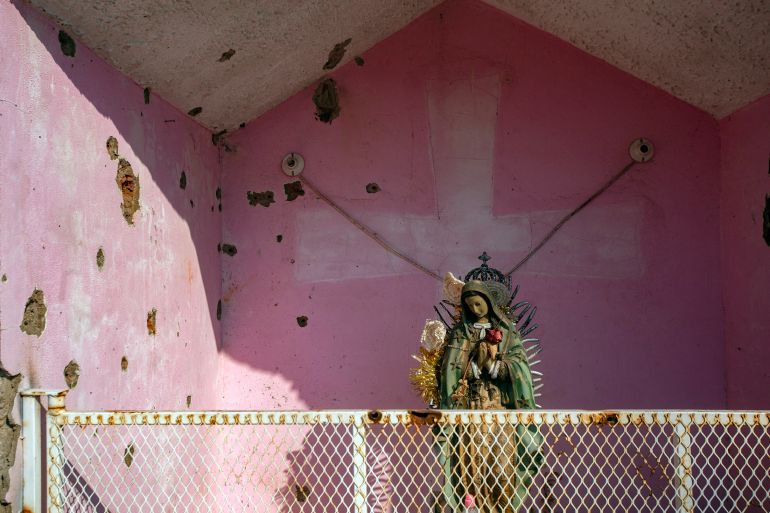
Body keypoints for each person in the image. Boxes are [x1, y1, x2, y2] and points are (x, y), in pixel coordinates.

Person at [438, 280, 540, 512]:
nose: (475, 309)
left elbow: (520, 365)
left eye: (479, 303)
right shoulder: (461, 334)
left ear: (489, 302)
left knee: (502, 468)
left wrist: (495, 367)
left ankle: (503, 508)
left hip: (500, 414)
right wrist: (472, 368)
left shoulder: (506, 331)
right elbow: (450, 370)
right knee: (472, 467)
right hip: (470, 414)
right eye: (470, 305)